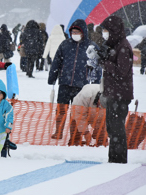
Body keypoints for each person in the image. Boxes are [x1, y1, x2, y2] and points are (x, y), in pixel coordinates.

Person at [48, 19, 95, 139]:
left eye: (77, 32)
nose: (74, 34)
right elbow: (56, 62)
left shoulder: (91, 47)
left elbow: (96, 66)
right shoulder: (65, 44)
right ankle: (58, 131)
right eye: (73, 32)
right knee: (61, 110)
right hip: (64, 83)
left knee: (76, 112)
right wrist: (52, 76)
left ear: (83, 32)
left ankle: (75, 134)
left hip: (81, 86)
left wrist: (95, 83)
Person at [96, 16, 134, 163]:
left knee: (117, 129)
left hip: (120, 94)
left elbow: (122, 71)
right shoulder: (114, 44)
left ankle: (118, 160)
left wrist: (105, 63)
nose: (104, 33)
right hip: (114, 93)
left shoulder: (123, 46)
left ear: (113, 30)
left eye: (106, 30)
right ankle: (114, 159)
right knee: (112, 128)